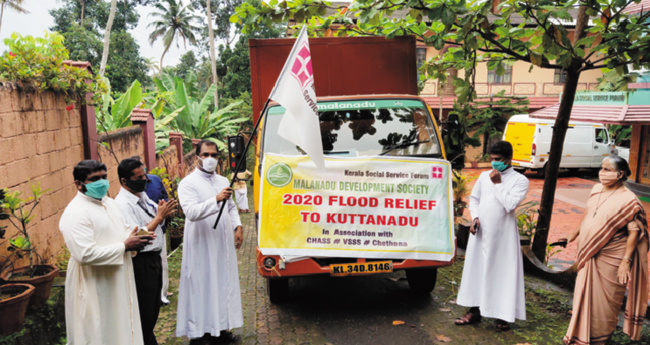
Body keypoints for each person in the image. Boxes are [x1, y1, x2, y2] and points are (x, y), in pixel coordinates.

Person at [59, 160, 153, 345]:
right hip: (94, 282)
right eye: (94, 179)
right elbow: (83, 255)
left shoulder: (109, 203)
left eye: (104, 177)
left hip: (118, 277)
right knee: (99, 331)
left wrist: (137, 237)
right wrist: (125, 246)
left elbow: (123, 230)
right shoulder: (75, 213)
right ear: (79, 184)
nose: (101, 182)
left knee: (123, 325)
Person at [563, 156, 648, 344]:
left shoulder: (629, 200)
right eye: (601, 168)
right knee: (582, 293)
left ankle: (600, 338)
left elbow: (634, 233)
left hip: (613, 258)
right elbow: (587, 214)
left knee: (605, 302)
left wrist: (626, 261)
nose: (602, 173)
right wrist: (574, 234)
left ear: (620, 174)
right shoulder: (596, 190)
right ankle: (579, 334)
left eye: (607, 170)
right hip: (589, 254)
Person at [455, 141, 529, 331]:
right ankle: (474, 311)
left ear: (509, 159)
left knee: (502, 272)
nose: (494, 163)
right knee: (477, 269)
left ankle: (503, 316)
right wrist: (475, 217)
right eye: (492, 159)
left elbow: (510, 204)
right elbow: (474, 199)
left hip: (503, 236)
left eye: (498, 160)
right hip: (481, 232)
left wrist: (497, 184)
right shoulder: (483, 175)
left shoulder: (520, 180)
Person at [176, 140, 244, 344]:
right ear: (197, 157)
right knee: (202, 285)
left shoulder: (223, 180)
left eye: (214, 155)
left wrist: (237, 226)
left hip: (222, 245)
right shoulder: (187, 183)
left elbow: (231, 207)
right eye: (205, 155)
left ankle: (222, 328)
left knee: (223, 283)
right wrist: (215, 199)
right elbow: (191, 213)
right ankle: (200, 333)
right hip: (201, 244)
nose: (210, 159)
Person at [115, 158, 177, 345]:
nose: (144, 180)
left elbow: (153, 215)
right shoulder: (123, 204)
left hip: (154, 258)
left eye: (144, 175)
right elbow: (137, 236)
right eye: (139, 177)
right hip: (140, 262)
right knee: (144, 312)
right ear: (124, 181)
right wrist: (159, 217)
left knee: (152, 309)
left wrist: (161, 212)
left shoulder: (141, 196)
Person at [142, 161, 172, 305]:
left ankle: (163, 293)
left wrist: (164, 206)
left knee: (162, 263)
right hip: (145, 233)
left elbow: (165, 195)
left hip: (160, 228)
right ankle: (154, 296)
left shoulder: (154, 180)